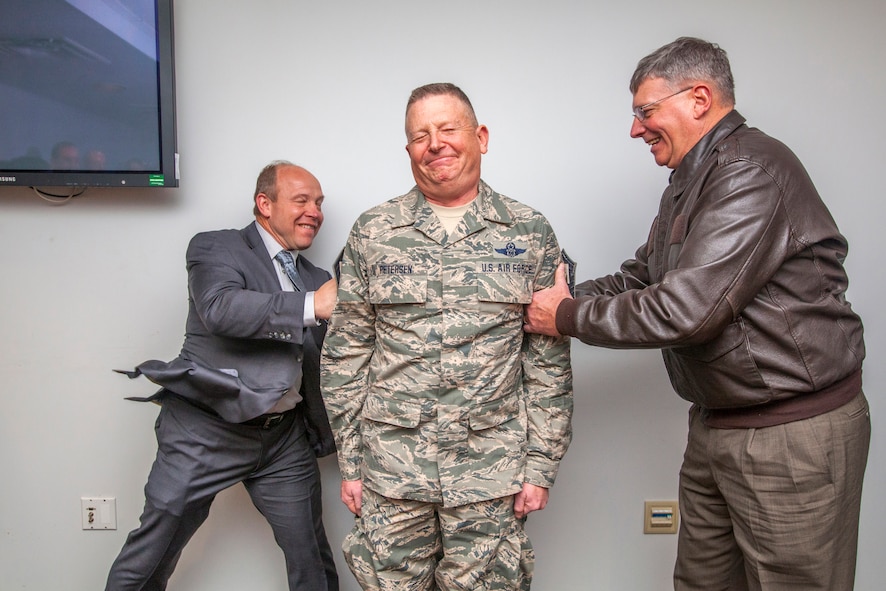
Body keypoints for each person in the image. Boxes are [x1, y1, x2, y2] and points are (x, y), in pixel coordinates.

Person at [524, 37, 870, 590]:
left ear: (700, 99)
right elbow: (642, 277)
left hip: (790, 436)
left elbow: (685, 311)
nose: (636, 129)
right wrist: (544, 304)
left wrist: (564, 317)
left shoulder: (749, 171)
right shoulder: (691, 179)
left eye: (645, 111)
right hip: (718, 425)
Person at [320, 83, 573, 590]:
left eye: (448, 129)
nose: (435, 144)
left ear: (480, 136)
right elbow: (345, 356)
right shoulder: (373, 231)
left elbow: (546, 362)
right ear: (409, 149)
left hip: (491, 471)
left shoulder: (529, 232)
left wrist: (540, 466)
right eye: (420, 135)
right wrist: (352, 462)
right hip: (392, 472)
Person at [105, 161, 340, 591]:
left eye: (319, 203)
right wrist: (311, 307)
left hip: (281, 439)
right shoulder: (216, 248)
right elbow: (221, 309)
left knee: (311, 558)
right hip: (203, 431)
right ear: (264, 204)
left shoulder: (316, 278)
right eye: (302, 200)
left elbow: (322, 362)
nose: (315, 211)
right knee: (152, 552)